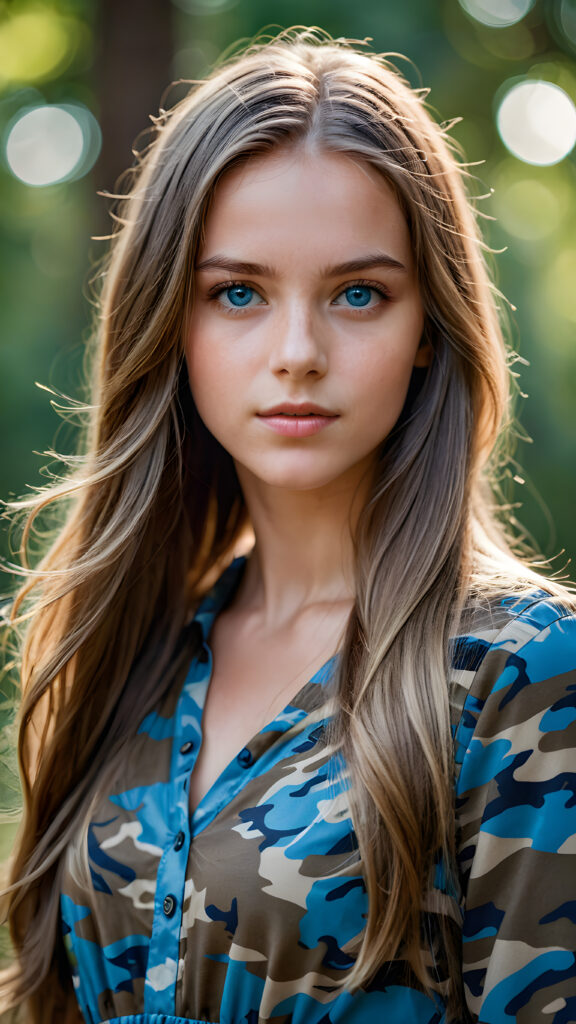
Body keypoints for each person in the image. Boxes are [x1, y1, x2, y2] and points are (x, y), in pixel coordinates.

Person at [1, 24, 575, 1024]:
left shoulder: (520, 671)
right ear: (169, 323)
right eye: (238, 293)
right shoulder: (132, 650)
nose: (298, 351)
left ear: (429, 328)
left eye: (359, 293)